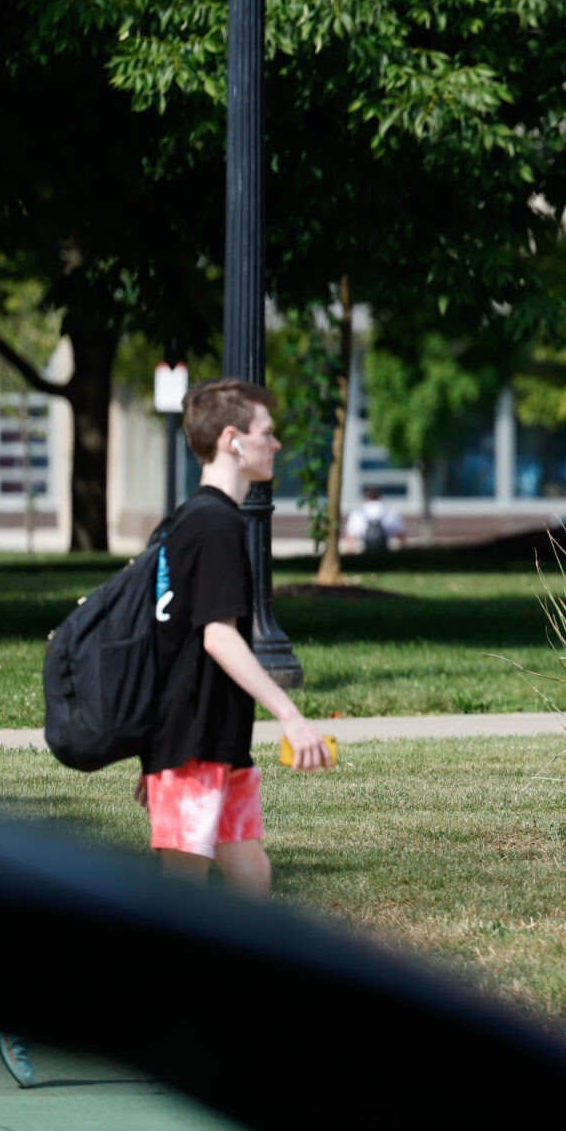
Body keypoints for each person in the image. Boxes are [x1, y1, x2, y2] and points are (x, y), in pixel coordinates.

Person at [143, 378, 333, 895]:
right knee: (184, 881)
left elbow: (169, 635)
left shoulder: (193, 520)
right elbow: (216, 639)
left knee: (251, 870)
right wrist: (291, 717)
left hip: (213, 737)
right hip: (193, 742)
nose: (275, 445)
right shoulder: (213, 526)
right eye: (266, 433)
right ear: (232, 438)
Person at [340, 484, 406, 555]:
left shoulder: (357, 513)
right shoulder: (390, 512)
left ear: (366, 496)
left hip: (364, 552)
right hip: (385, 551)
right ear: (379, 496)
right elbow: (401, 536)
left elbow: (350, 539)